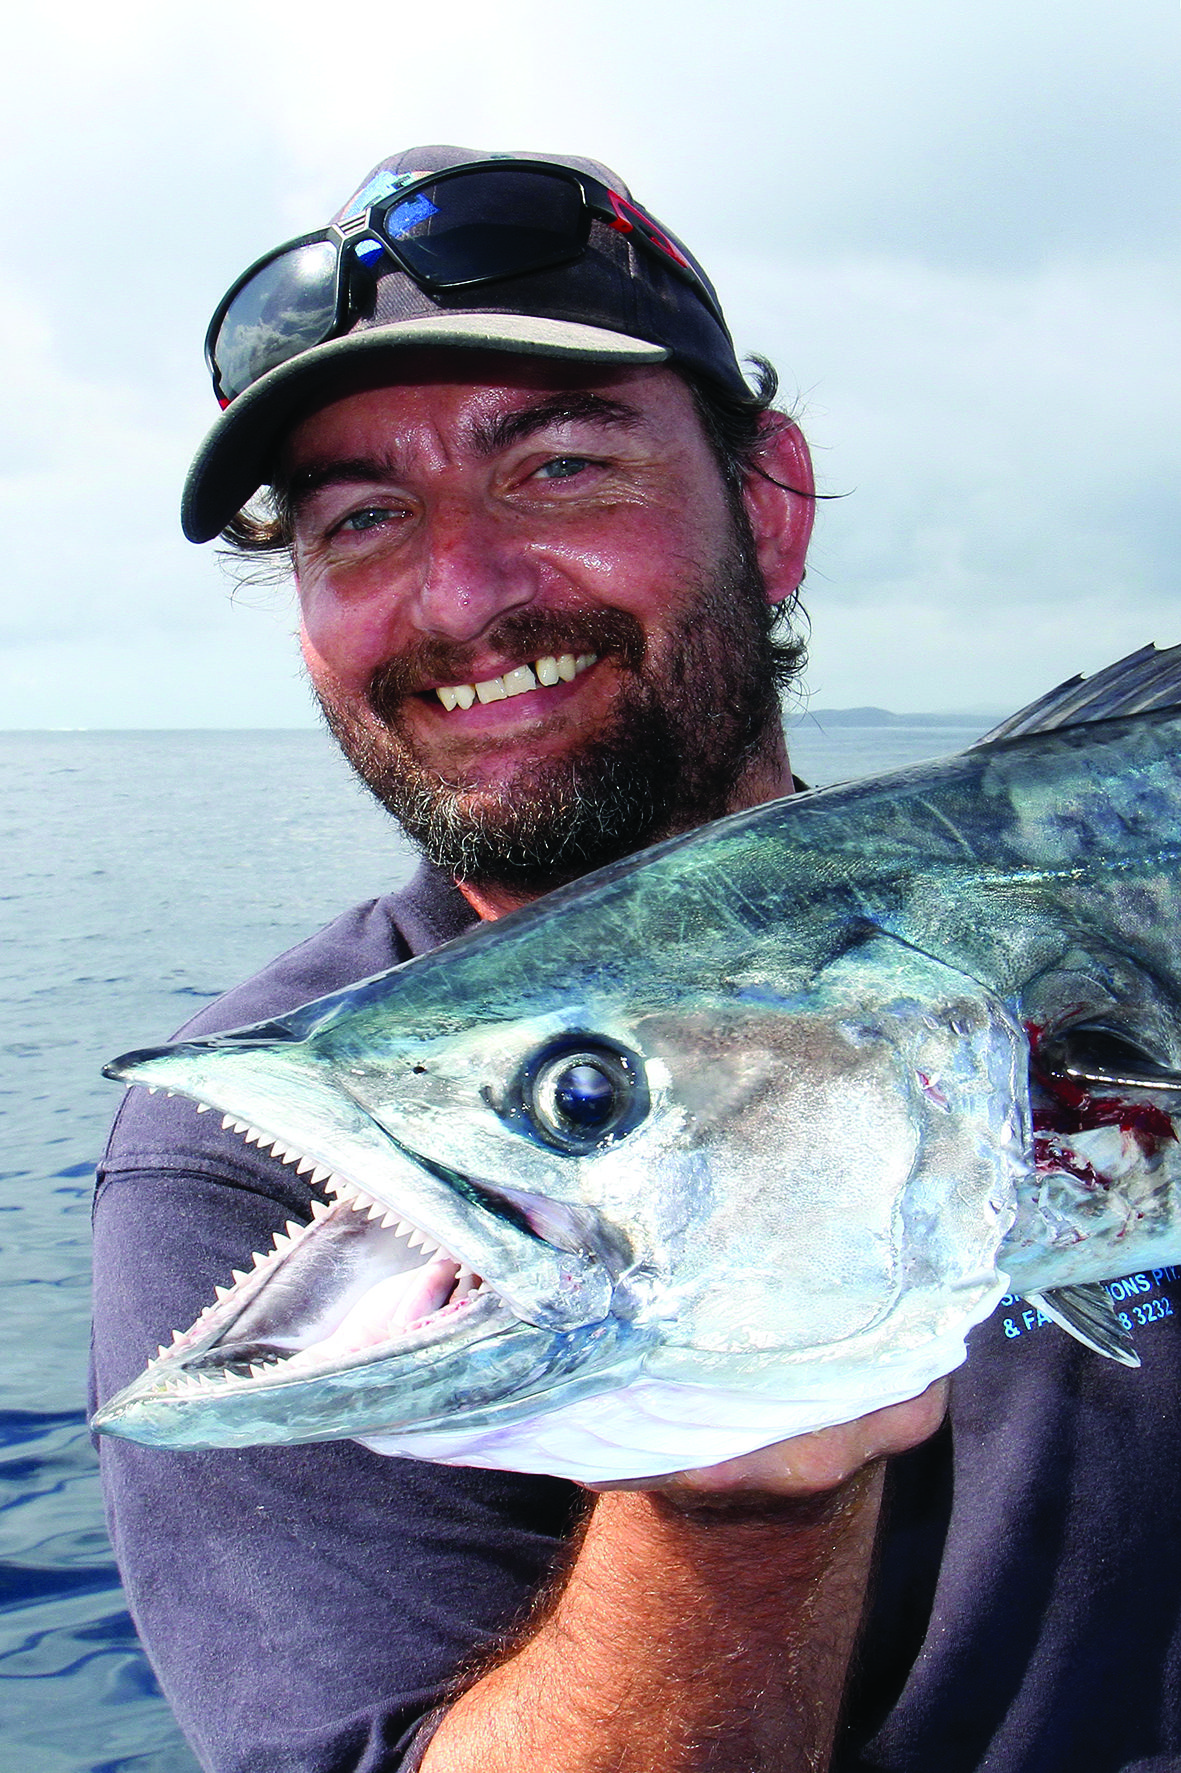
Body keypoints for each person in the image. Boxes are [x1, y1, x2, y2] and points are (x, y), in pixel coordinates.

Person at [90, 147, 1181, 1773]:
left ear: (770, 505)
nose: (462, 594)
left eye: (561, 469)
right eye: (364, 519)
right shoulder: (241, 1175)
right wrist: (726, 1514)